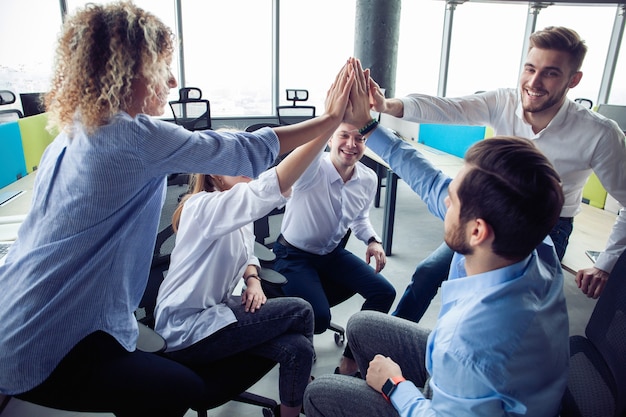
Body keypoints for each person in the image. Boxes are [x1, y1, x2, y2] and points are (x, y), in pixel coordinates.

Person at [0, 3, 355, 416]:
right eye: (162, 66)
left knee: (172, 384)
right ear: (125, 69)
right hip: (48, 338)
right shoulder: (132, 136)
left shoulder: (74, 131)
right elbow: (250, 151)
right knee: (175, 390)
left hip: (18, 316)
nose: (170, 80)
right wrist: (330, 118)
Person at [304, 80, 569, 414]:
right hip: (473, 378)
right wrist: (369, 125)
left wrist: (394, 385)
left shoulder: (469, 343)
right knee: (361, 324)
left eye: (453, 200)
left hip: (451, 396)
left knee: (321, 394)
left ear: (477, 231)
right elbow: (429, 180)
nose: (443, 200)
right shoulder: (534, 244)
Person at [368, 26, 626, 323]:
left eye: (551, 73)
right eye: (530, 68)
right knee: (428, 273)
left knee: (497, 310)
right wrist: (387, 106)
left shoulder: (600, 134)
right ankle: (389, 341)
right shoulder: (504, 101)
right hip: (490, 208)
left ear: (574, 79)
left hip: (546, 229)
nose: (534, 82)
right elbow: (448, 108)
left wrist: (605, 263)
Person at [153, 63, 354, 417]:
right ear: (215, 172)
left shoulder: (236, 212)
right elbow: (273, 186)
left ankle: (291, 409)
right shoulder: (201, 208)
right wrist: (330, 123)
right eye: (237, 162)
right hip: (185, 331)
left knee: (297, 348)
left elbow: (247, 251)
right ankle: (302, 398)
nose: (250, 168)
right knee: (300, 308)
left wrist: (252, 279)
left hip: (215, 313)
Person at [271, 118, 397, 375]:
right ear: (329, 139)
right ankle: (297, 325)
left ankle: (350, 360)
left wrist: (373, 240)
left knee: (384, 292)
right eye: (343, 136)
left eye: (360, 139)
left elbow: (360, 218)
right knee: (319, 318)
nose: (351, 144)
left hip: (331, 254)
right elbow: (302, 155)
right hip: (294, 254)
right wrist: (331, 117)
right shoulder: (311, 169)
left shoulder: (368, 178)